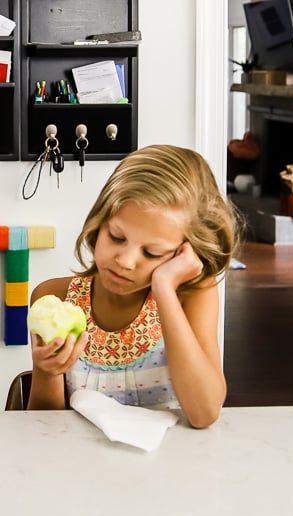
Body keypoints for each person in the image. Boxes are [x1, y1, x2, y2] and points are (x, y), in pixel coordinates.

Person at [26, 144, 239, 429]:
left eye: (151, 253)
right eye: (116, 237)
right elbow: (44, 430)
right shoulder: (56, 298)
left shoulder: (193, 295)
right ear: (99, 223)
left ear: (184, 253)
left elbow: (204, 413)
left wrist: (164, 288)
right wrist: (48, 371)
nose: (125, 261)